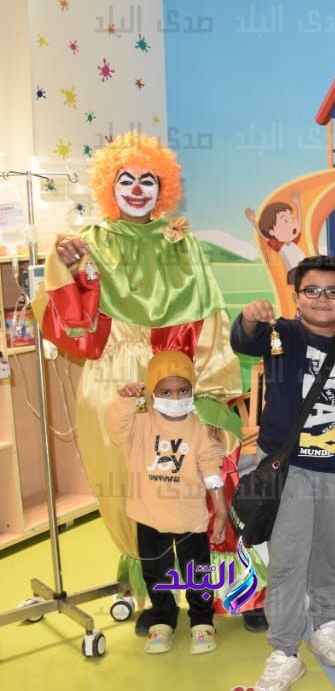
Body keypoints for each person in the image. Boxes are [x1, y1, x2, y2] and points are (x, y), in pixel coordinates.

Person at [34, 132, 265, 631]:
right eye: (126, 179)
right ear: (109, 185)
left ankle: (230, 594)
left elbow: (207, 316)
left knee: (199, 484)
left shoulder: (180, 241)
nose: (137, 189)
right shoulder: (90, 241)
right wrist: (65, 266)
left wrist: (207, 387)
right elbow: (76, 329)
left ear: (164, 188)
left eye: (148, 180)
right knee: (132, 492)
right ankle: (152, 599)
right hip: (111, 378)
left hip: (175, 376)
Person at [233, 256, 335, 691]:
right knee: (288, 559)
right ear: (296, 296)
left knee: (329, 554)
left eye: (333, 291)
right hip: (289, 471)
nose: (322, 299)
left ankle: (325, 624)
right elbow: (245, 341)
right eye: (312, 290)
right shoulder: (280, 336)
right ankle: (284, 650)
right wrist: (249, 318)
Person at [107, 351, 227, 655]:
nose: (175, 398)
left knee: (197, 572)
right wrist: (125, 401)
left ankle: (202, 620)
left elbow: (211, 466)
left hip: (189, 517)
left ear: (192, 389)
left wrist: (221, 509)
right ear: (152, 392)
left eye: (183, 390)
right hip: (149, 515)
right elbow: (116, 428)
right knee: (155, 572)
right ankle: (162, 618)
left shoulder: (200, 425)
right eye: (166, 392)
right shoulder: (140, 422)